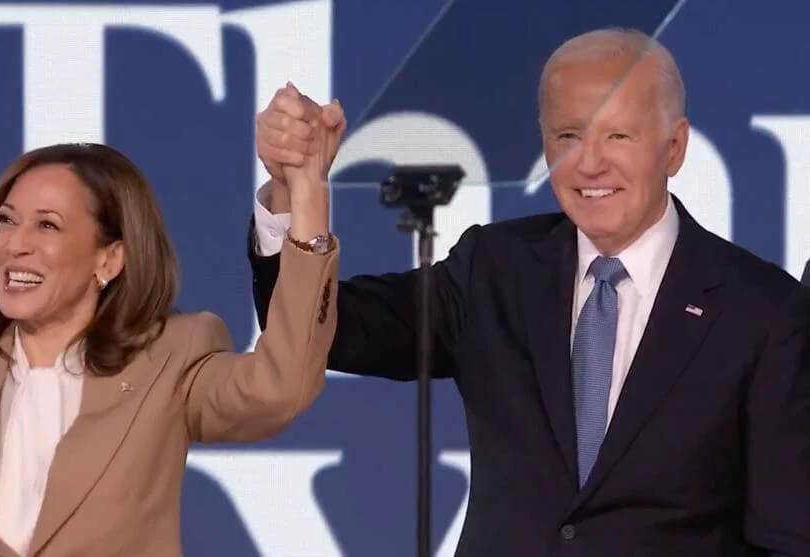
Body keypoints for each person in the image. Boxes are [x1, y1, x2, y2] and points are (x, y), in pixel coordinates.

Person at [249, 28, 810, 556]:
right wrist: (292, 193)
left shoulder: (761, 312)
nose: (590, 163)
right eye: (569, 135)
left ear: (674, 147)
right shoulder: (495, 270)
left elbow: (789, 536)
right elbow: (323, 332)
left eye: (618, 134)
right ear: (545, 145)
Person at [0, 142, 338, 556]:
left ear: (110, 260)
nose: (13, 244)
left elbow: (280, 388)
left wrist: (306, 198)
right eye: (7, 219)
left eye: (46, 225)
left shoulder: (171, 362)